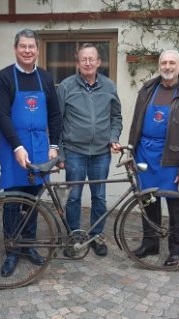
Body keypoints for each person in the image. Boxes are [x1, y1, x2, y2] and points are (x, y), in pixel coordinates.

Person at [0, 29, 62, 277]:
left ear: (37, 50)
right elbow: (2, 116)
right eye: (23, 46)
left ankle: (29, 245)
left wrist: (54, 145)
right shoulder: (2, 78)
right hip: (14, 146)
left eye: (32, 46)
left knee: (33, 200)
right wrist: (18, 147)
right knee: (13, 199)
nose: (27, 50)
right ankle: (12, 249)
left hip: (40, 146)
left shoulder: (45, 77)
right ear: (15, 49)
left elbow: (54, 114)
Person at [127, 49, 179, 266]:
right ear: (159, 66)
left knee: (177, 206)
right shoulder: (148, 89)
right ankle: (150, 243)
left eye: (172, 63)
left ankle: (177, 252)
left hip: (172, 159)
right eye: (163, 63)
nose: (167, 67)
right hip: (144, 155)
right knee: (148, 202)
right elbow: (136, 123)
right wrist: (131, 150)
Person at [56, 43, 122, 257]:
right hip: (74, 151)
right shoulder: (66, 87)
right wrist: (61, 154)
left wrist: (113, 138)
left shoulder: (109, 86)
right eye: (83, 59)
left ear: (98, 62)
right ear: (78, 63)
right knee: (74, 197)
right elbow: (57, 122)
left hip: (101, 153)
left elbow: (116, 118)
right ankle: (75, 237)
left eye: (91, 59)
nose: (87, 63)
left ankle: (97, 236)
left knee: (99, 197)